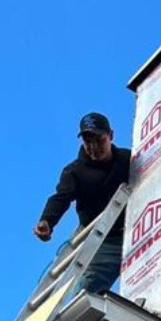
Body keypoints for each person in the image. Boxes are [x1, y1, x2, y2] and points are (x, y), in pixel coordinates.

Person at [33, 112, 132, 295]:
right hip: (99, 237)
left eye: (99, 140)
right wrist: (47, 221)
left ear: (111, 135)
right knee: (86, 289)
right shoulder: (75, 172)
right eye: (88, 142)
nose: (93, 148)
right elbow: (61, 198)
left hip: (134, 230)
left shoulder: (127, 159)